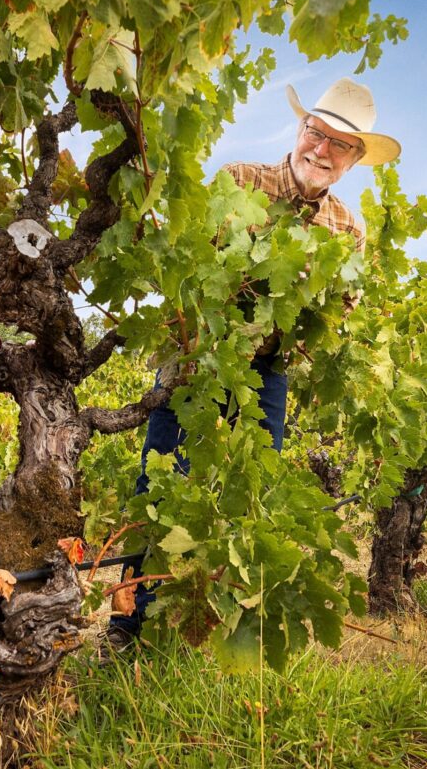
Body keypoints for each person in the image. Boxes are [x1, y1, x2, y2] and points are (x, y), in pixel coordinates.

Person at [106, 78, 401, 649]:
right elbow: (190, 267)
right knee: (161, 480)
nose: (322, 150)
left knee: (252, 488)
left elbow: (330, 320)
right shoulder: (239, 181)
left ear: (354, 159)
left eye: (340, 144)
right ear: (298, 131)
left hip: (266, 371)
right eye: (316, 133)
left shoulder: (349, 231)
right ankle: (128, 627)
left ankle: (210, 624)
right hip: (196, 356)